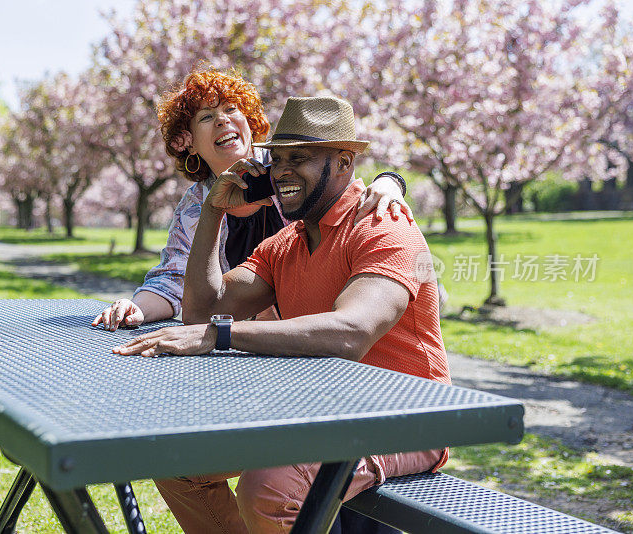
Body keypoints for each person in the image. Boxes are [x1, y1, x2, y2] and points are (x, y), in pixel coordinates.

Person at [113, 96, 451, 533]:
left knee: (270, 488)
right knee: (177, 461)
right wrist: (213, 212)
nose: (282, 170)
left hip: (409, 417)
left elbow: (352, 332)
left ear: (345, 163)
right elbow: (201, 311)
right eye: (278, 159)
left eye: (300, 158)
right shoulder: (286, 244)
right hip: (322, 407)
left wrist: (222, 336)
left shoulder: (385, 227)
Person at [92, 69, 412, 330]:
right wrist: (136, 308)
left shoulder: (285, 169)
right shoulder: (196, 204)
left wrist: (390, 181)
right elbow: (175, 278)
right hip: (250, 336)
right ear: (187, 143)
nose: (222, 120)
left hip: (323, 324)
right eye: (206, 117)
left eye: (231, 109)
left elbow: (340, 181)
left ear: (250, 123)